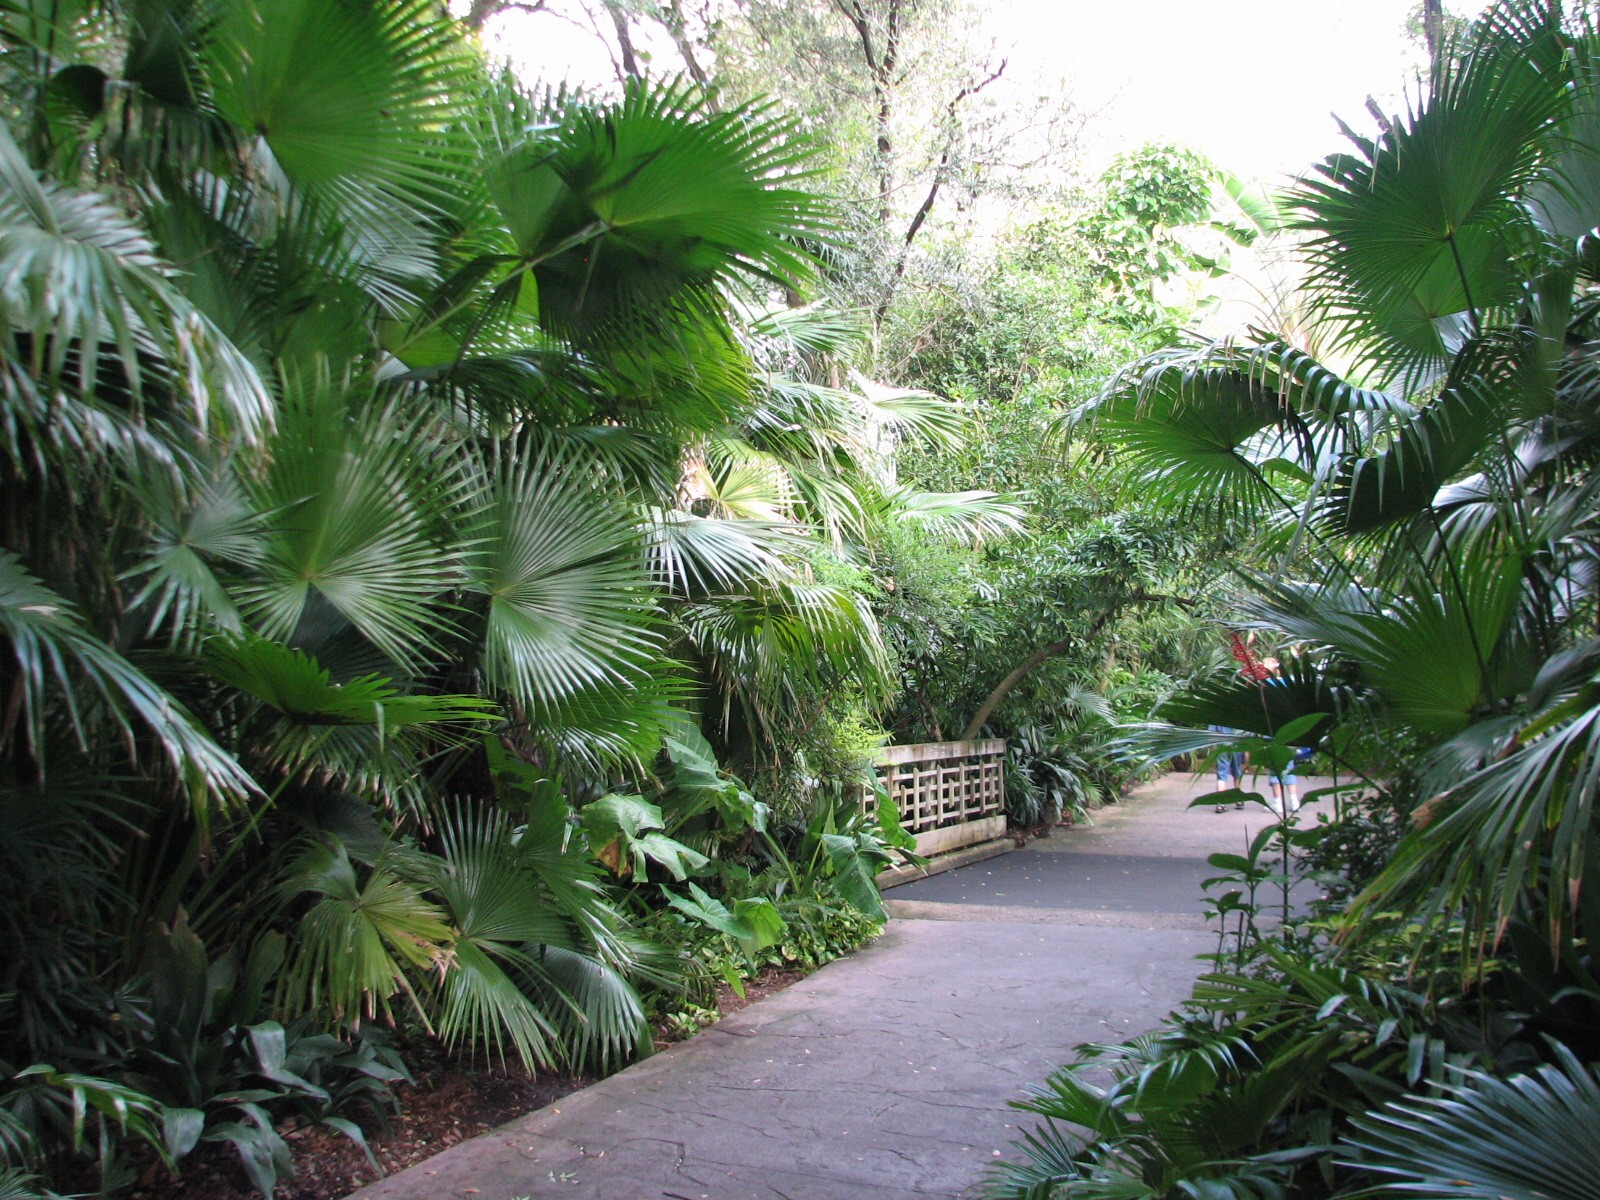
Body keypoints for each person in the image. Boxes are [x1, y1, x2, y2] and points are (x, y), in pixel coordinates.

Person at [1207, 725, 1246, 812]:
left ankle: (1220, 803)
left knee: (1222, 775)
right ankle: (1238, 799)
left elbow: (1211, 734)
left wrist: (1212, 750)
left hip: (1222, 746)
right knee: (1237, 772)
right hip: (1237, 745)